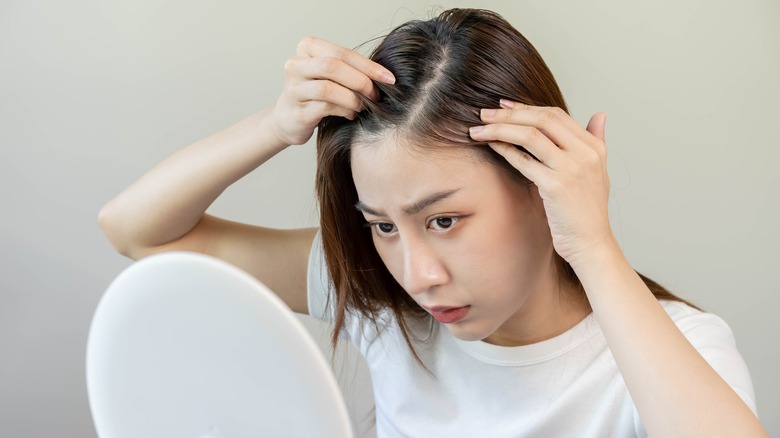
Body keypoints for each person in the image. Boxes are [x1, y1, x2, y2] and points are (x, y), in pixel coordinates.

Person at [99, 8, 767, 437]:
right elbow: (138, 231)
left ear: (541, 184)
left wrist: (592, 243)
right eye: (383, 226)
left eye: (443, 220)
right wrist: (276, 127)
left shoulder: (673, 347)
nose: (419, 273)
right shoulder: (382, 300)